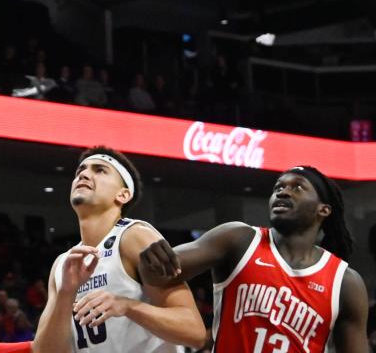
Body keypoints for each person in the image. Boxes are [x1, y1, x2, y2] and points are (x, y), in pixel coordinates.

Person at [138, 165, 369, 352]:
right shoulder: (239, 239)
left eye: (298, 187)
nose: (283, 191)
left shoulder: (345, 282)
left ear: (323, 210)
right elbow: (158, 274)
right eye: (279, 187)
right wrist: (152, 260)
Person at [34, 148, 206, 353]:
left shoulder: (134, 238)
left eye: (100, 170)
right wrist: (65, 294)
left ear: (123, 194)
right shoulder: (63, 264)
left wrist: (127, 306)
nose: (84, 174)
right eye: (81, 169)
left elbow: (195, 332)